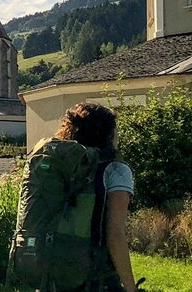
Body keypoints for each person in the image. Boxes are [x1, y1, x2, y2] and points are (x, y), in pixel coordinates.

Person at [53, 102, 138, 292]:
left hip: (52, 271)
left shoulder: (57, 166)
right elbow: (114, 233)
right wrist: (131, 287)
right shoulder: (116, 170)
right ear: (107, 135)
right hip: (96, 276)